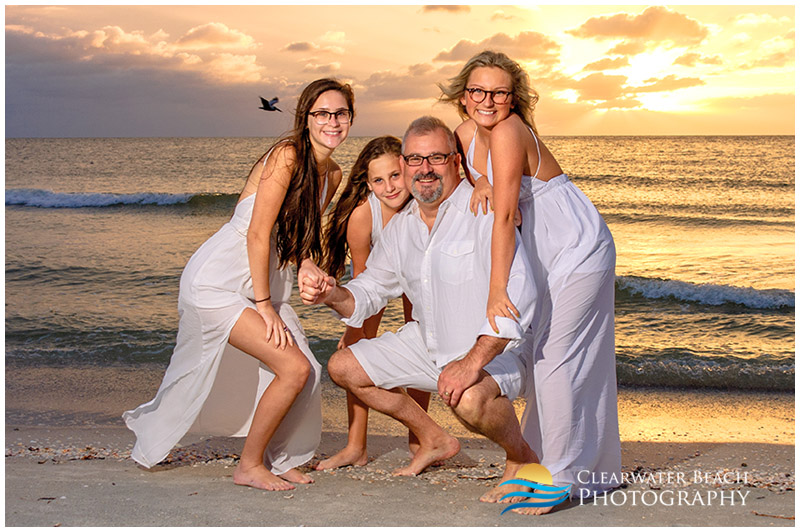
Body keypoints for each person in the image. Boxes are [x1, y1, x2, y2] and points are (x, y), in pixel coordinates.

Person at [123, 78, 355, 492]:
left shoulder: (332, 174)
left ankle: (276, 458)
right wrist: (266, 305)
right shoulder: (287, 156)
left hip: (262, 282)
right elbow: (257, 234)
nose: (332, 122)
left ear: (350, 118)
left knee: (308, 371)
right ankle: (249, 466)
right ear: (306, 118)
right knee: (293, 367)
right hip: (219, 281)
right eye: (323, 113)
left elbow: (297, 235)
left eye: (341, 113)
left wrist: (307, 265)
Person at [298, 116, 540, 503]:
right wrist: (331, 292)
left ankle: (522, 457)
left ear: (457, 163)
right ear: (404, 164)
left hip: (494, 353)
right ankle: (432, 437)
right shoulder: (401, 227)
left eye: (436, 157)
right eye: (414, 159)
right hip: (428, 346)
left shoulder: (486, 210)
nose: (424, 169)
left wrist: (471, 362)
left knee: (470, 399)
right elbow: (369, 292)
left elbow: (520, 297)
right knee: (343, 367)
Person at [439, 50, 621, 512]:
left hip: (577, 246)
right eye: (479, 90)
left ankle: (557, 480)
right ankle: (572, 469)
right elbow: (476, 182)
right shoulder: (463, 135)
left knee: (557, 359)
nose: (489, 100)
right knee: (547, 361)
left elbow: (503, 217)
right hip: (545, 252)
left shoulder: (509, 129)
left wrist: (498, 290)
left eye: (500, 92)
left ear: (513, 98)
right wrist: (476, 182)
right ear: (463, 96)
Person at [316, 136, 430, 470]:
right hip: (377, 279)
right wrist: (356, 330)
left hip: (416, 279)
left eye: (395, 175)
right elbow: (367, 286)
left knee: (420, 339)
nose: (390, 187)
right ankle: (355, 447)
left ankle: (420, 438)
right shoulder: (363, 216)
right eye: (379, 180)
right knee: (355, 350)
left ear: (407, 169)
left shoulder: (423, 205)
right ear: (368, 184)